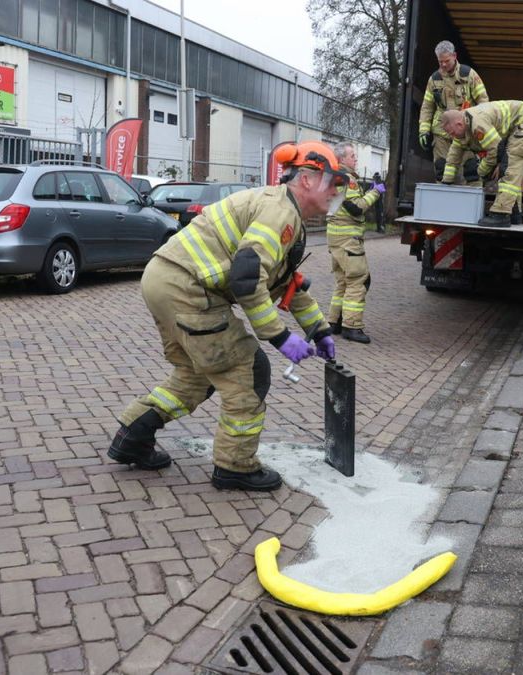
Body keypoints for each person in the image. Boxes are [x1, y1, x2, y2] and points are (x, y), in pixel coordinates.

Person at [106, 142, 344, 492]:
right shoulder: (279, 213)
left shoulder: (282, 210)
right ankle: (235, 467)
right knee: (247, 371)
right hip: (188, 290)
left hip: (165, 280)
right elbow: (247, 279)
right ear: (307, 179)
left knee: (197, 373)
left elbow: (285, 283)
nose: (337, 192)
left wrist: (318, 328)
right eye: (333, 182)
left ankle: (133, 435)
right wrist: (279, 337)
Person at [440, 100, 523, 227]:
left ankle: (501, 214)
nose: (452, 136)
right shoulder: (462, 131)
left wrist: (482, 170)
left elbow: (495, 149)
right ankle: (514, 213)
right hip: (514, 126)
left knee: (509, 168)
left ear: (459, 124)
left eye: (452, 133)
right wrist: (446, 182)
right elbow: (453, 157)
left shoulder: (477, 124)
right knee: (506, 167)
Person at [326, 142, 383, 344]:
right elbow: (356, 207)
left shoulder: (334, 177)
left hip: (335, 238)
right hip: (348, 239)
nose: (355, 159)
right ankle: (352, 326)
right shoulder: (346, 179)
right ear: (341, 159)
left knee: (342, 281)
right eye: (352, 156)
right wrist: (376, 192)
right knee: (358, 281)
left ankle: (334, 322)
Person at [417, 40, 489, 184]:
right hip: (442, 134)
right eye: (440, 61)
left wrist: (481, 129)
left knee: (471, 171)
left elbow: (484, 102)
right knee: (441, 169)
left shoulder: (469, 75)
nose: (443, 65)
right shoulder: (434, 79)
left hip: (466, 131)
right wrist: (423, 130)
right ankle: (443, 203)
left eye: (446, 61)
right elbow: (427, 106)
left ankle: (470, 204)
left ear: (454, 56)